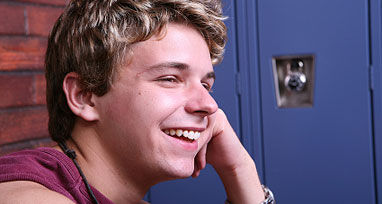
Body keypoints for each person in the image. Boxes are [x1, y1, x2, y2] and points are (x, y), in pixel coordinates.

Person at [0, 0, 274, 203]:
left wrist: (239, 168)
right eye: (170, 79)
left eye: (205, 84)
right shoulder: (28, 196)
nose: (210, 106)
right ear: (84, 95)